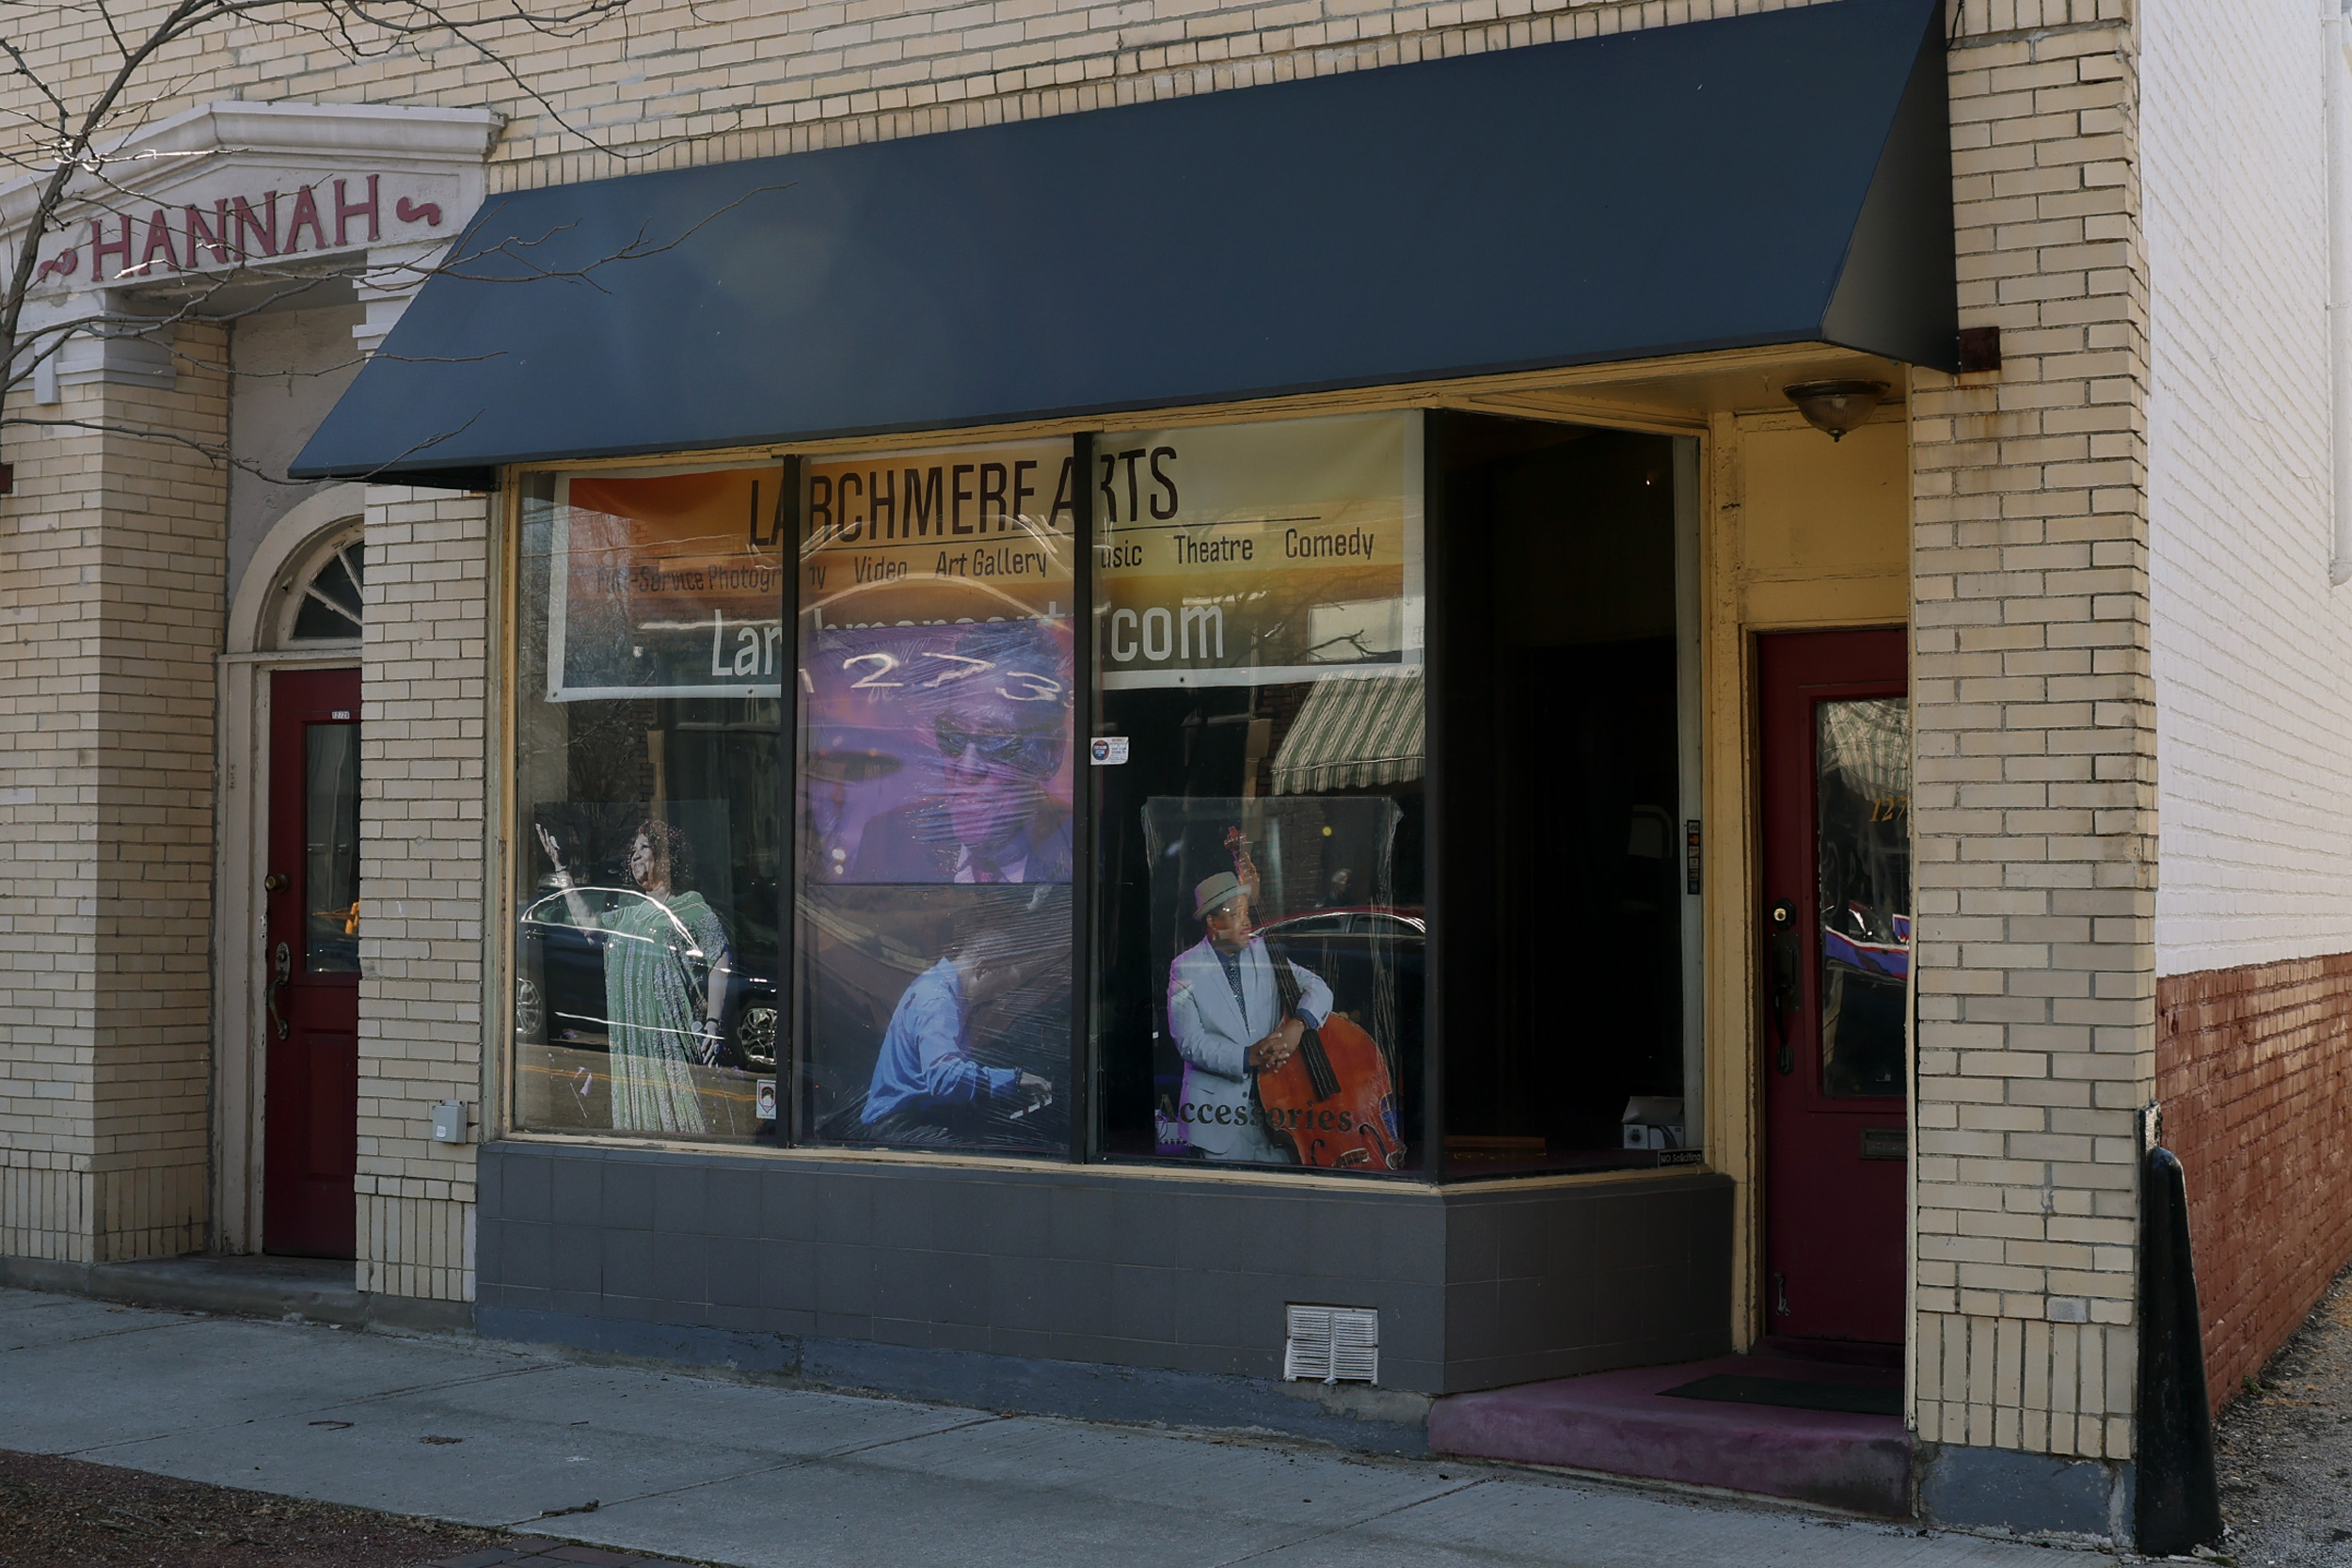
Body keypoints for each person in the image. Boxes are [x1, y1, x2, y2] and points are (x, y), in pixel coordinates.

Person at [536, 817, 729, 1135]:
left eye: (644, 847)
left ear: (665, 857)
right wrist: (561, 870)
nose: (635, 856)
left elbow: (718, 955)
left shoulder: (688, 905)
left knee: (684, 1120)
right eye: (633, 851)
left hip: (672, 1040)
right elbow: (588, 927)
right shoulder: (628, 913)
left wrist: (712, 1022)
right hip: (633, 1044)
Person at [850, 623, 1072, 884]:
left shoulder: (1084, 846)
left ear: (1050, 754)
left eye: (995, 739)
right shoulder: (889, 841)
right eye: (952, 734)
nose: (967, 768)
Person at [1166, 871, 1333, 1164]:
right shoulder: (1185, 968)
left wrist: (1298, 1026)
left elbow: (1317, 987)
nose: (1247, 921)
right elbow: (1189, 1042)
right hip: (1217, 1117)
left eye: (1247, 911)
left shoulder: (1265, 952)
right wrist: (1248, 1057)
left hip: (1279, 1109)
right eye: (1236, 913)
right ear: (1212, 922)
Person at [861, 916, 1056, 1142]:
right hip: (901, 1128)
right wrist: (1015, 1079)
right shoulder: (938, 1001)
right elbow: (945, 1079)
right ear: (981, 969)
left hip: (912, 1119)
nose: (998, 1001)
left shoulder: (936, 986)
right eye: (997, 991)